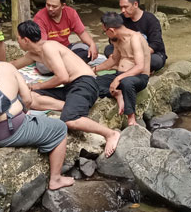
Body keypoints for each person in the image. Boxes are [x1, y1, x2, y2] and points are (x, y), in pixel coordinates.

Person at [0, 34, 76, 189]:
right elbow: (27, 99)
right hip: (13, 131)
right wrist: (23, 112)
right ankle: (56, 179)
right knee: (59, 129)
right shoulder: (7, 67)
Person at [13, 20, 120, 155]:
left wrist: (38, 85)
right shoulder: (32, 54)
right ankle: (69, 106)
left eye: (18, 39)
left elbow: (62, 77)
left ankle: (110, 134)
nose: (17, 42)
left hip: (85, 83)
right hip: (69, 87)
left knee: (70, 120)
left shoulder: (49, 47)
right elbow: (13, 64)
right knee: (28, 97)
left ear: (26, 40)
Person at [93, 12, 150, 127]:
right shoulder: (117, 39)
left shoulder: (135, 38)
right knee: (93, 82)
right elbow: (114, 59)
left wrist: (118, 79)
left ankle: (131, 118)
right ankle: (116, 94)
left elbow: (140, 66)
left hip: (138, 77)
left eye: (105, 32)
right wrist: (93, 69)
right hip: (120, 75)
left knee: (127, 83)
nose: (106, 34)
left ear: (112, 30)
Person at [30, 0, 98, 66]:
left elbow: (82, 32)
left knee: (92, 48)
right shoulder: (39, 18)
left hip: (66, 49)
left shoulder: (71, 13)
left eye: (54, 6)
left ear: (63, 6)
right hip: (50, 53)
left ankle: (64, 65)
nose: (50, 9)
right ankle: (71, 64)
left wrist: (92, 44)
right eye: (48, 5)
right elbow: (42, 45)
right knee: (42, 66)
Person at [114, 0, 166, 73]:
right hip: (126, 53)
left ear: (135, 4)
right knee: (108, 50)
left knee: (156, 61)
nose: (123, 10)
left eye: (125, 7)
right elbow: (113, 39)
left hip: (149, 54)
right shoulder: (121, 19)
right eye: (121, 7)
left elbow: (156, 44)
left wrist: (136, 55)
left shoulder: (150, 19)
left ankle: (131, 66)